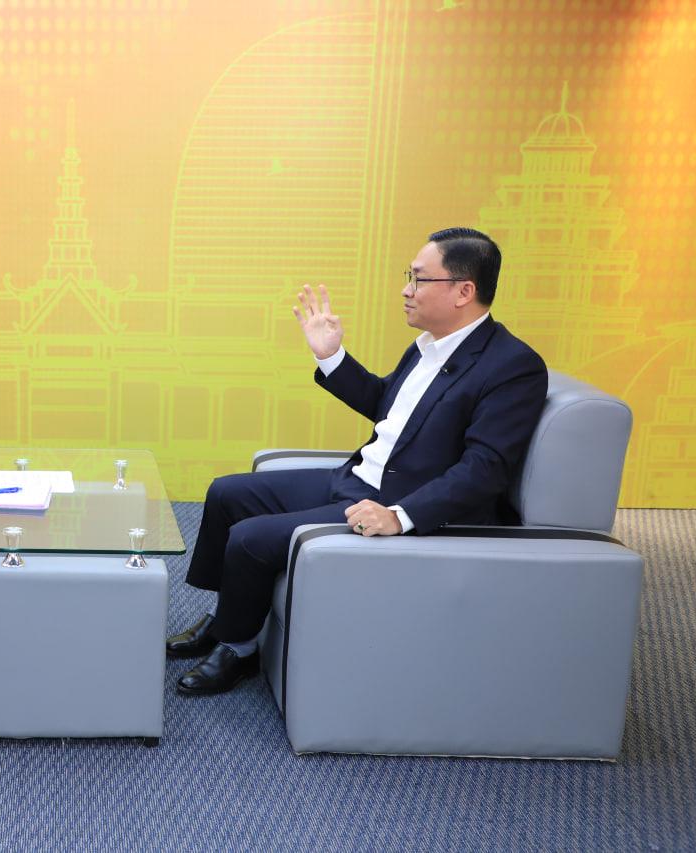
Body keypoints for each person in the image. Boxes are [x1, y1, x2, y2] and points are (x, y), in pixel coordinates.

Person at [167, 227, 547, 695]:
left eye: (419, 279)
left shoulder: (512, 366)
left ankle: (239, 649)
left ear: (463, 291)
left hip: (394, 499)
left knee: (251, 539)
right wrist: (332, 357)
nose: (406, 289)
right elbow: (388, 404)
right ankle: (224, 617)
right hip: (358, 478)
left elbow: (485, 469)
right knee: (227, 492)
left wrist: (399, 516)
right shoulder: (429, 345)